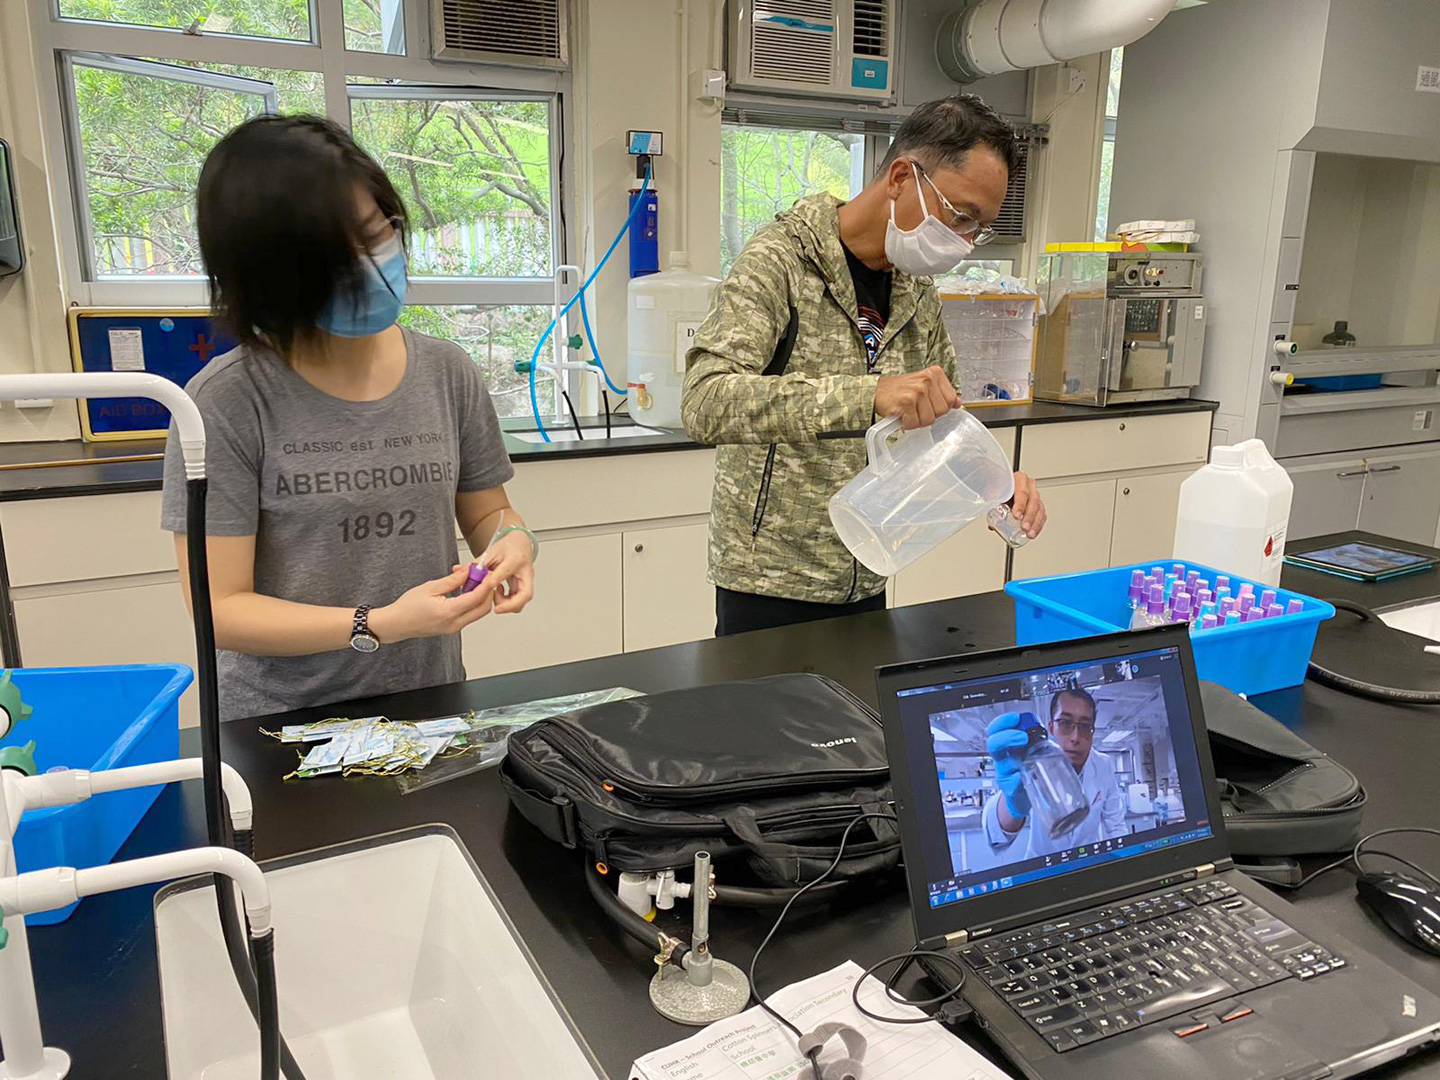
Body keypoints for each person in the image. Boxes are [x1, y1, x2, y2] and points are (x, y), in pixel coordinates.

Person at [160, 115, 537, 720]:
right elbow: (219, 609)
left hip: (430, 706)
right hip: (282, 725)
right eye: (332, 260)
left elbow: (488, 512)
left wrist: (515, 542)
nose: (368, 265)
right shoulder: (226, 401)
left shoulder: (446, 371)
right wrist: (379, 624)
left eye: (375, 233)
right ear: (268, 276)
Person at [682, 95, 1047, 637]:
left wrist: (995, 486)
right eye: (961, 216)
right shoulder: (779, 261)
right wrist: (869, 395)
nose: (965, 244)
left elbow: (944, 420)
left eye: (980, 229)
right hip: (770, 583)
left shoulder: (914, 289)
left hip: (870, 565)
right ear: (902, 176)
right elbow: (705, 402)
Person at [981, 688, 1127, 859]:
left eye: (1085, 726)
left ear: (1093, 731)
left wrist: (1123, 861)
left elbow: (1115, 823)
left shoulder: (1103, 764)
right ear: (1051, 728)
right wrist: (1012, 806)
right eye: (1065, 723)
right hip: (1044, 867)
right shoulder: (1033, 762)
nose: (1075, 737)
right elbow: (998, 837)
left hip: (1089, 861)